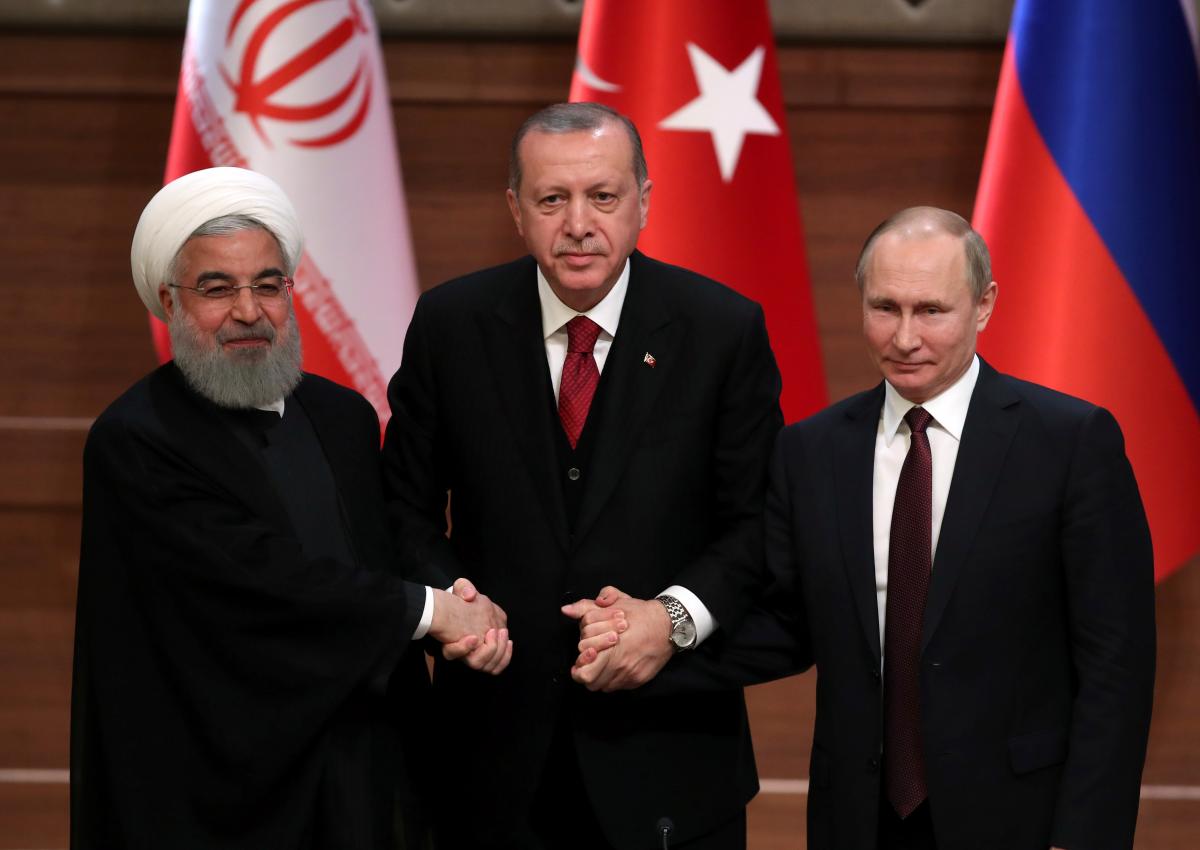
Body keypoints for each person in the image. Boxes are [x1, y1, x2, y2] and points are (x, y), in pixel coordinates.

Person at [662, 206, 1156, 850]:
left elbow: (1117, 661)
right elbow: (787, 625)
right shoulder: (811, 451)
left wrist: (1086, 835)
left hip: (1019, 818)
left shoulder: (1071, 442)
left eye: (931, 311)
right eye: (884, 307)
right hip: (859, 818)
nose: (903, 337)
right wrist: (652, 640)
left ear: (983, 305)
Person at [71, 167, 511, 850]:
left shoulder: (342, 417)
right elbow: (261, 585)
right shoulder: (137, 441)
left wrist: (459, 601)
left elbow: (391, 544)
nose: (249, 312)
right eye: (216, 288)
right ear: (169, 300)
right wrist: (432, 613)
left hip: (364, 781)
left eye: (269, 285)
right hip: (219, 795)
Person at [382, 103, 783, 849]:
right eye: (551, 199)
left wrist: (672, 619)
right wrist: (452, 609)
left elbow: (758, 521)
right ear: (515, 209)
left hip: (671, 756)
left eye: (603, 196)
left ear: (643, 202)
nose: (578, 223)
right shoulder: (450, 325)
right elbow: (401, 507)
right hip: (488, 758)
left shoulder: (722, 330)